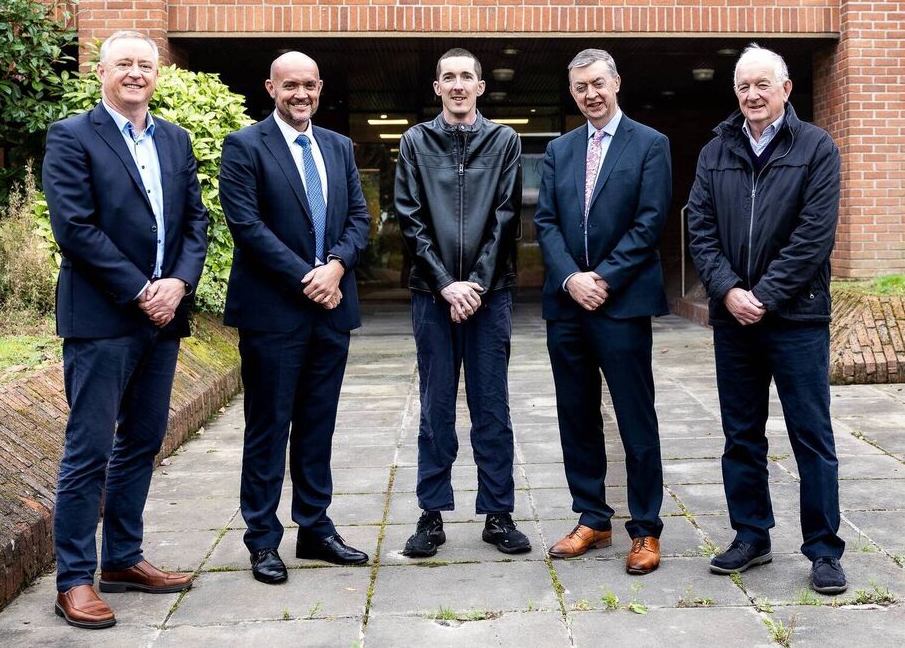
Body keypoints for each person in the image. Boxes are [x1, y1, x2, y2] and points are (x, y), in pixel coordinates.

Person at [42, 30, 208, 629]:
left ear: (157, 75)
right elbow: (75, 228)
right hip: (104, 317)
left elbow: (195, 222)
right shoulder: (71, 136)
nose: (136, 73)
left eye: (146, 65)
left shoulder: (175, 139)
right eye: (124, 64)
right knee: (89, 448)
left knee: (142, 440)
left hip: (164, 317)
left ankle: (122, 558)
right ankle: (74, 579)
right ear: (102, 72)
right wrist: (142, 290)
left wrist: (178, 283)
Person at [686, 44, 846, 594]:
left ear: (785, 89)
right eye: (743, 87)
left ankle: (823, 550)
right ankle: (751, 535)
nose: (752, 95)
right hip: (735, 321)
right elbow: (700, 229)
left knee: (811, 436)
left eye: (762, 85)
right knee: (741, 436)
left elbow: (814, 236)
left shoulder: (817, 147)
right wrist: (730, 291)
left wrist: (765, 296)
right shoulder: (716, 150)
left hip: (796, 318)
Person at [219, 51, 371, 585]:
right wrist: (310, 277)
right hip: (274, 313)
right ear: (271, 88)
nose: (300, 94)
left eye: (309, 85)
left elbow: (359, 217)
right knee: (268, 427)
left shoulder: (338, 146)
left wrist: (336, 267)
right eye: (290, 86)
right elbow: (247, 226)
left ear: (320, 87)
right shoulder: (244, 146)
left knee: (317, 425)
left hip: (331, 312)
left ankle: (314, 528)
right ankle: (263, 539)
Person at [534, 48, 671, 575]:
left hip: (622, 303)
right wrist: (571, 278)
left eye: (597, 83)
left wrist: (604, 278)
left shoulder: (650, 143)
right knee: (576, 415)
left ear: (616, 82)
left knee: (635, 417)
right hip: (567, 305)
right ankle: (592, 517)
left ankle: (646, 528)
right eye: (580, 87)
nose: (590, 94)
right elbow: (545, 221)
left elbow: (650, 221)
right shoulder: (559, 149)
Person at [393, 48, 528, 558]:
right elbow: (410, 218)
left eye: (466, 76)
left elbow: (506, 216)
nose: (457, 85)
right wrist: (447, 284)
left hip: (490, 296)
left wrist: (475, 284)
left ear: (480, 87)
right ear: (437, 87)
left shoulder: (505, 140)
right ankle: (431, 514)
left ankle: (498, 514)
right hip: (433, 295)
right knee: (436, 406)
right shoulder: (415, 141)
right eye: (448, 77)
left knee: (492, 406)